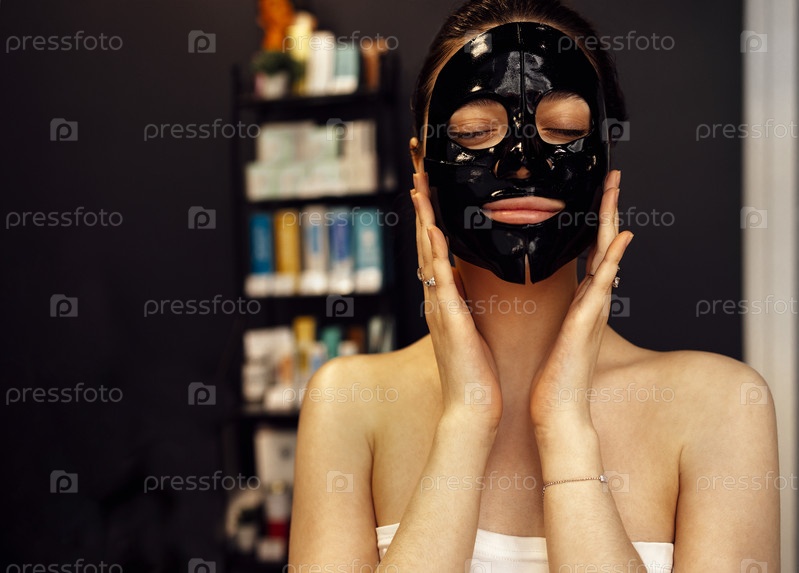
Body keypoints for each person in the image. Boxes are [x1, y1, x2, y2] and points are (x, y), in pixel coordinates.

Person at [288, 1, 780, 571]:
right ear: (420, 164)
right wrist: (466, 421)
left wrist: (565, 426)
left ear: (605, 155)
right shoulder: (348, 404)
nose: (522, 161)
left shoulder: (720, 406)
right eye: (474, 132)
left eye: (565, 130)